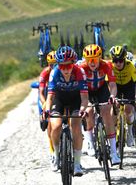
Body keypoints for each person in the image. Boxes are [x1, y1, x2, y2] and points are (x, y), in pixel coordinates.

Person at [44, 46, 88, 176]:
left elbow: (84, 97)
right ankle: (56, 155)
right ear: (58, 65)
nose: (66, 69)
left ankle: (77, 163)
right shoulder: (55, 72)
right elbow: (50, 96)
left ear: (73, 64)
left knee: (76, 127)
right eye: (62, 66)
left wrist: (83, 110)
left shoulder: (80, 72)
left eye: (69, 66)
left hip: (75, 99)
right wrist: (46, 110)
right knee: (56, 126)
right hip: (59, 98)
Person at [79, 44, 120, 164]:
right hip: (87, 91)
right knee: (89, 112)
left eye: (95, 59)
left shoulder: (106, 65)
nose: (92, 62)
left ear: (100, 58)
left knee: (107, 112)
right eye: (89, 60)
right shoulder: (81, 68)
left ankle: (113, 152)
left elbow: (112, 85)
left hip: (102, 89)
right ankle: (90, 142)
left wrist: (112, 96)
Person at [109, 45, 136, 147]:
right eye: (115, 60)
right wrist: (112, 97)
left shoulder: (130, 65)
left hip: (128, 86)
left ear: (124, 59)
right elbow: (109, 84)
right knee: (114, 111)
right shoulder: (110, 66)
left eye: (120, 61)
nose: (118, 63)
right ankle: (113, 134)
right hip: (116, 86)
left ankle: (130, 132)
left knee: (128, 109)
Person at [38, 51, 56, 165]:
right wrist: (44, 104)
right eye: (51, 64)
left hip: (59, 95)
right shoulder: (45, 73)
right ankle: (52, 150)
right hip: (47, 97)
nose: (54, 67)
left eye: (56, 64)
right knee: (48, 121)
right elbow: (40, 92)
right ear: (48, 64)